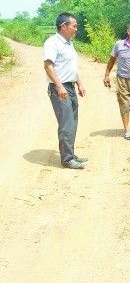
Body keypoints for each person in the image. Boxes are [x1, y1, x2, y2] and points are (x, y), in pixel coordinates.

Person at [44, 12, 87, 169]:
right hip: (59, 88)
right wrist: (59, 86)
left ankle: (71, 154)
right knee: (66, 123)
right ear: (63, 26)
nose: (76, 29)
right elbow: (48, 66)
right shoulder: (52, 42)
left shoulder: (69, 44)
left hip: (70, 86)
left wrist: (79, 83)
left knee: (73, 121)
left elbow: (72, 68)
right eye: (74, 26)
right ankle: (67, 159)